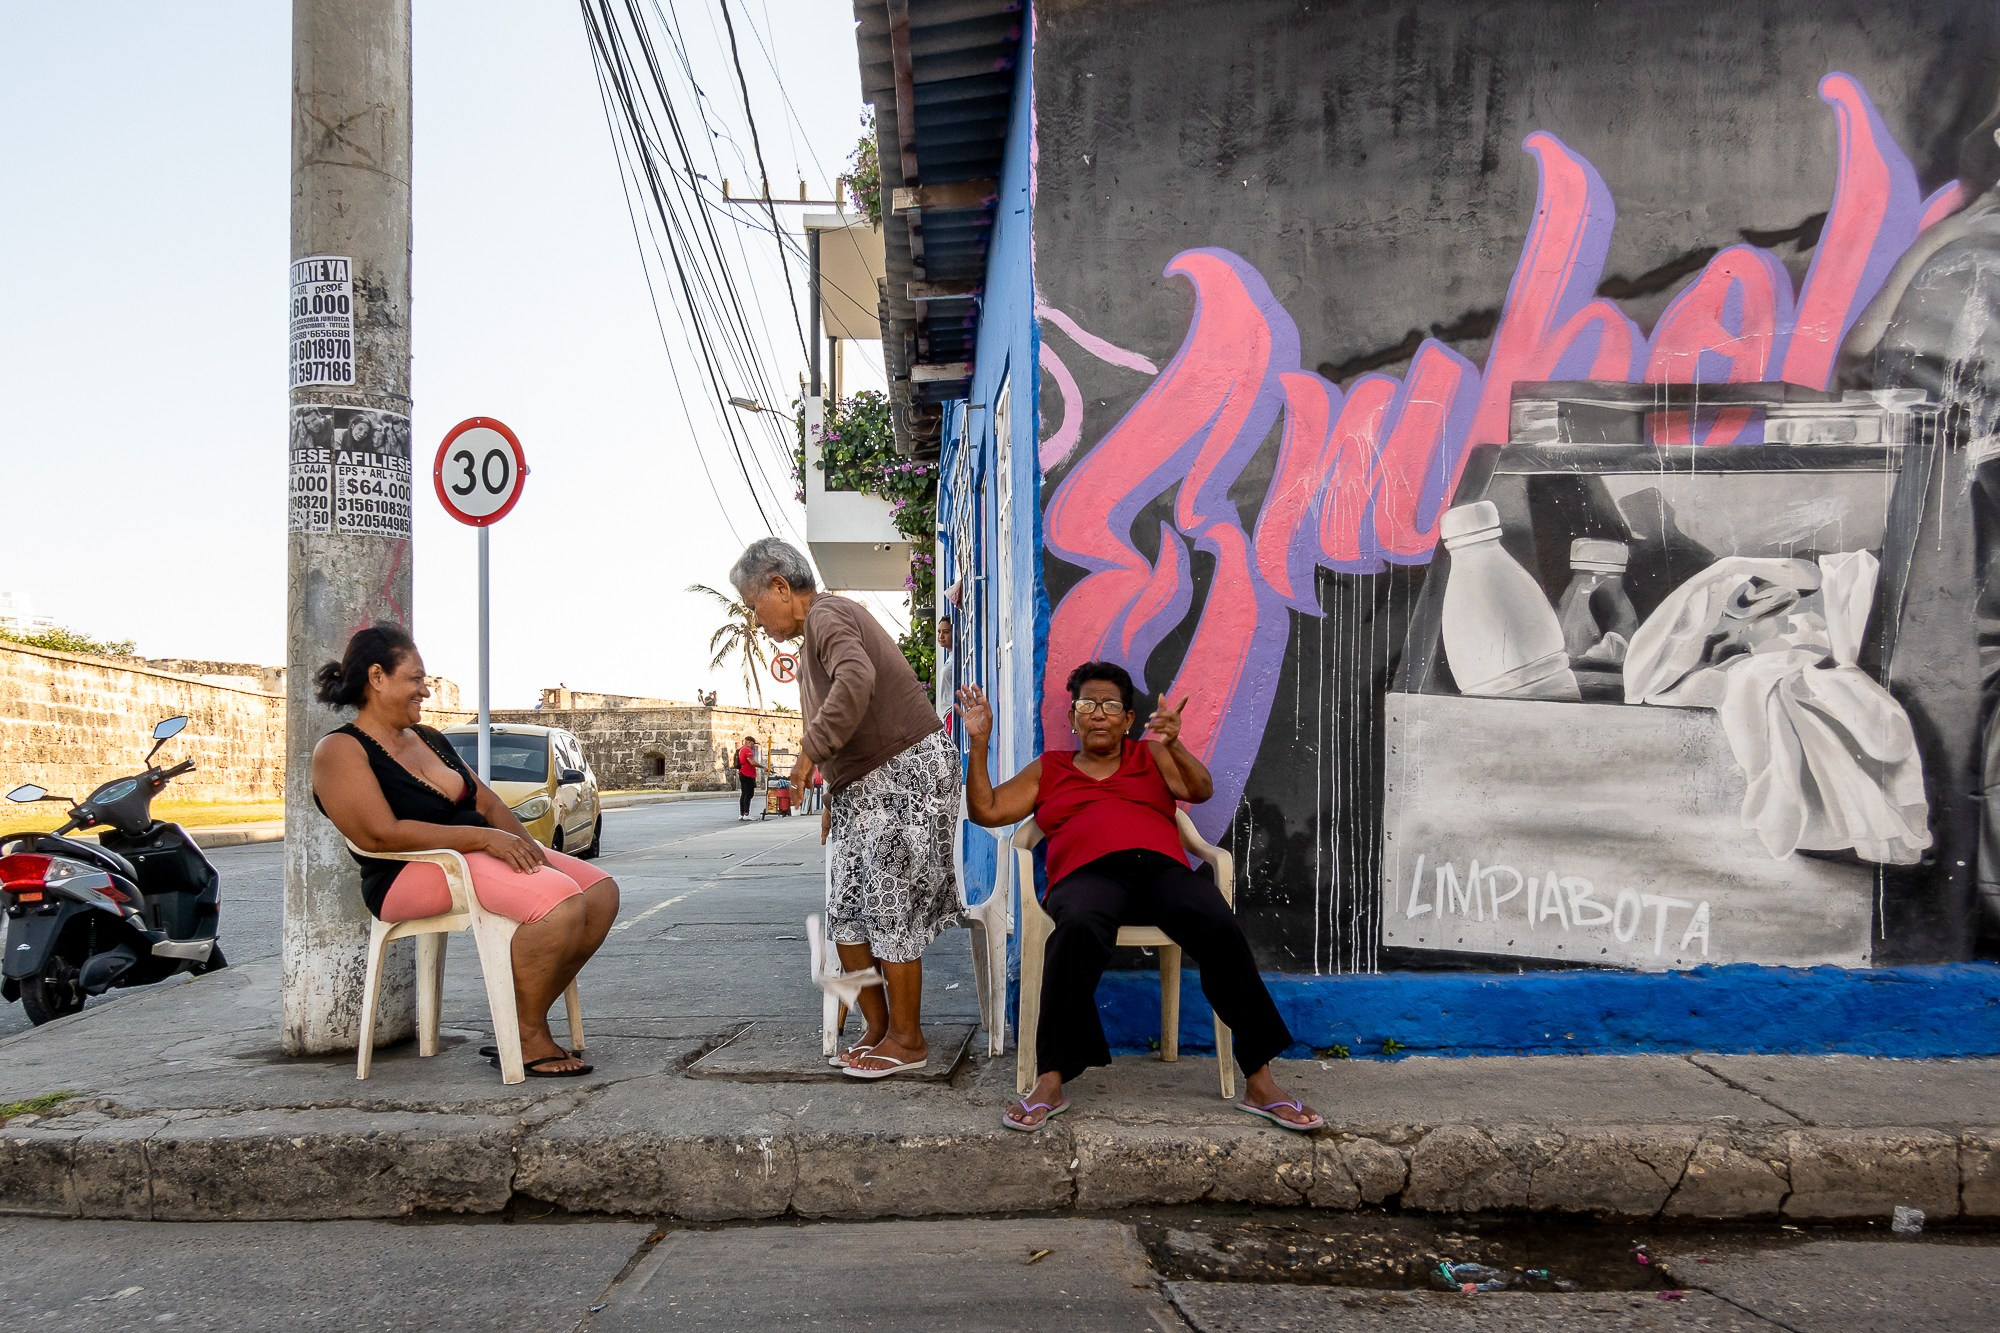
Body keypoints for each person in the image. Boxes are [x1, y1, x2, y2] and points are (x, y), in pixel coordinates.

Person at [958, 662, 1322, 1133]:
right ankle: (1051, 1077)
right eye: (1087, 705)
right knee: (1078, 928)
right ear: (1073, 717)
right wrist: (981, 741)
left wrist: (1173, 742)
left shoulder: (1152, 756)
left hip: (1159, 870)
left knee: (1217, 921)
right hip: (1085, 876)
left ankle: (1260, 1079)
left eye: (1111, 706)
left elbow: (1200, 789)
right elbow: (985, 811)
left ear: (1129, 719)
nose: (1098, 715)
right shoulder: (1051, 769)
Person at [309, 623, 619, 1079]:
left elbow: (487, 802)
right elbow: (381, 834)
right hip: (408, 873)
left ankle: (517, 1020)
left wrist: (528, 848)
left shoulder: (430, 738)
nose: (425, 690)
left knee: (600, 893)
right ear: (377, 677)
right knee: (560, 905)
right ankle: (529, 1036)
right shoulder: (340, 750)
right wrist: (481, 839)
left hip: (471, 856)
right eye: (415, 679)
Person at [730, 537, 959, 1080]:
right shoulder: (815, 632)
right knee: (847, 916)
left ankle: (909, 1039)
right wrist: (836, 792)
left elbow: (857, 680)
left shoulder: (829, 614)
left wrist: (810, 753)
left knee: (890, 908)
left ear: (780, 587)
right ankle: (876, 1029)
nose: (754, 617)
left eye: (753, 602)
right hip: (864, 788)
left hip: (904, 775)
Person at [734, 735, 762, 821]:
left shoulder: (741, 749)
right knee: (749, 794)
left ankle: (742, 814)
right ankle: (746, 814)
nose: (753, 746)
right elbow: (752, 762)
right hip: (747, 774)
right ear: (749, 742)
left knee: (743, 794)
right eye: (752, 744)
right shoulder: (747, 749)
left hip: (742, 773)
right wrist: (763, 767)